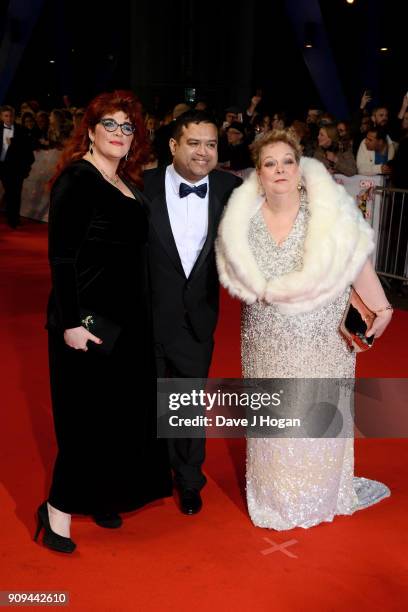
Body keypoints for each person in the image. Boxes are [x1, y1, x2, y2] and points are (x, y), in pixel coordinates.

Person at [216, 129, 392, 530]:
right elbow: (234, 270)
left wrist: (380, 306)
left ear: (300, 168)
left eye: (287, 161)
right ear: (257, 173)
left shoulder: (327, 211)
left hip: (320, 331)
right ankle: (275, 496)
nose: (279, 170)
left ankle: (320, 492)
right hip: (265, 332)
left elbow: (356, 262)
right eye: (269, 163)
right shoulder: (241, 217)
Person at [36, 90, 172, 553]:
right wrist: (72, 322)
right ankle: (56, 510)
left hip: (129, 322)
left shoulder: (128, 183)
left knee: (120, 416)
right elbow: (62, 257)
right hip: (89, 321)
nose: (118, 133)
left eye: (127, 126)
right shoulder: (78, 178)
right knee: (85, 421)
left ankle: (104, 494)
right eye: (109, 125)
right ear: (90, 131)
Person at [143, 110, 241, 515]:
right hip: (144, 315)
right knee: (143, 403)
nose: (204, 152)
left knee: (186, 406)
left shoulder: (231, 189)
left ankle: (188, 481)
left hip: (197, 319)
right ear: (173, 146)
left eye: (212, 144)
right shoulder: (139, 186)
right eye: (194, 143)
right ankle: (145, 478)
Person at [0, 105, 34, 227]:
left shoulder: (22, 131)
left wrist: (13, 144)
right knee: (10, 193)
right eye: (6, 116)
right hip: (2, 166)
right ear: (1, 117)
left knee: (15, 193)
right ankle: (11, 217)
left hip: (16, 168)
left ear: (14, 116)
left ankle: (13, 220)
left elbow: (27, 151)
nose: (8, 118)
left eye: (11, 115)